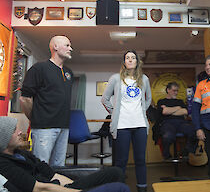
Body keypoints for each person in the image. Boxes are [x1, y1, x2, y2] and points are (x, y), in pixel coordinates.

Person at [0, 116, 130, 192]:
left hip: (59, 187)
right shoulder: (4, 164)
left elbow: (51, 173)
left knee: (116, 172)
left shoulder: (21, 153)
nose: (20, 132)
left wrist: (73, 186)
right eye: (14, 130)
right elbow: (40, 188)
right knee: (120, 188)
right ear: (3, 138)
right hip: (49, 190)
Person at [101, 50, 151, 192]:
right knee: (121, 161)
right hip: (122, 125)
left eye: (133, 57)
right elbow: (104, 99)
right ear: (124, 62)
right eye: (127, 58)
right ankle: (118, 188)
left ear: (137, 62)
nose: (130, 60)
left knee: (140, 160)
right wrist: (116, 113)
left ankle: (142, 188)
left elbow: (148, 99)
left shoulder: (144, 79)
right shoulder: (115, 78)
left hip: (140, 125)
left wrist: (141, 112)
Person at [19, 35, 73, 167]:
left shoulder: (68, 72)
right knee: (41, 168)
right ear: (55, 47)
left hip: (64, 127)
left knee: (59, 167)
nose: (70, 48)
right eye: (67, 45)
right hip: (44, 128)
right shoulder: (39, 69)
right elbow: (25, 99)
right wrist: (36, 117)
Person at [156, 82, 196, 159]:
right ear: (168, 90)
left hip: (181, 123)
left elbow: (185, 112)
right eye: (174, 90)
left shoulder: (180, 101)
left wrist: (169, 110)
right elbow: (164, 112)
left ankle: (186, 152)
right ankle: (166, 155)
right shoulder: (161, 101)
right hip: (167, 123)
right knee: (167, 136)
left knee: (193, 131)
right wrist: (178, 108)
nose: (176, 92)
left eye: (177, 91)